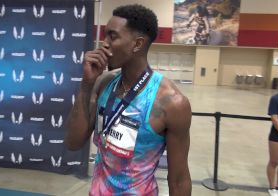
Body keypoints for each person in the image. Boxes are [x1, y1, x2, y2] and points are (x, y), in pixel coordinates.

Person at [64, 4, 192, 196]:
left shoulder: (171, 103)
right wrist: (86, 84)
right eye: (105, 35)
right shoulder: (104, 84)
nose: (104, 43)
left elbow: (179, 180)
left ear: (137, 44)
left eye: (112, 36)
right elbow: (73, 142)